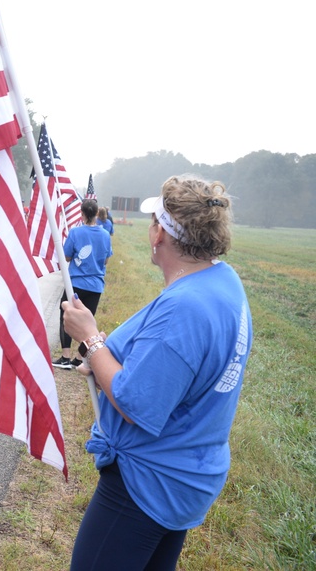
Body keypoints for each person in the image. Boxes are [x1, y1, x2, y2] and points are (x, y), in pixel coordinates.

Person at [61, 174, 252, 570]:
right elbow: (180, 364)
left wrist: (91, 339)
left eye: (154, 221)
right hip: (188, 473)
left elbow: (138, 404)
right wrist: (108, 358)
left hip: (147, 482)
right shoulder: (222, 282)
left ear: (160, 235)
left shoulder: (184, 307)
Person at [54, 199, 113, 368]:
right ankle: (80, 359)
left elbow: (66, 256)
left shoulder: (75, 232)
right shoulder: (105, 234)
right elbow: (107, 260)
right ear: (97, 214)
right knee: (87, 322)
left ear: (82, 213)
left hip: (77, 284)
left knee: (65, 315)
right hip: (96, 285)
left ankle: (65, 356)